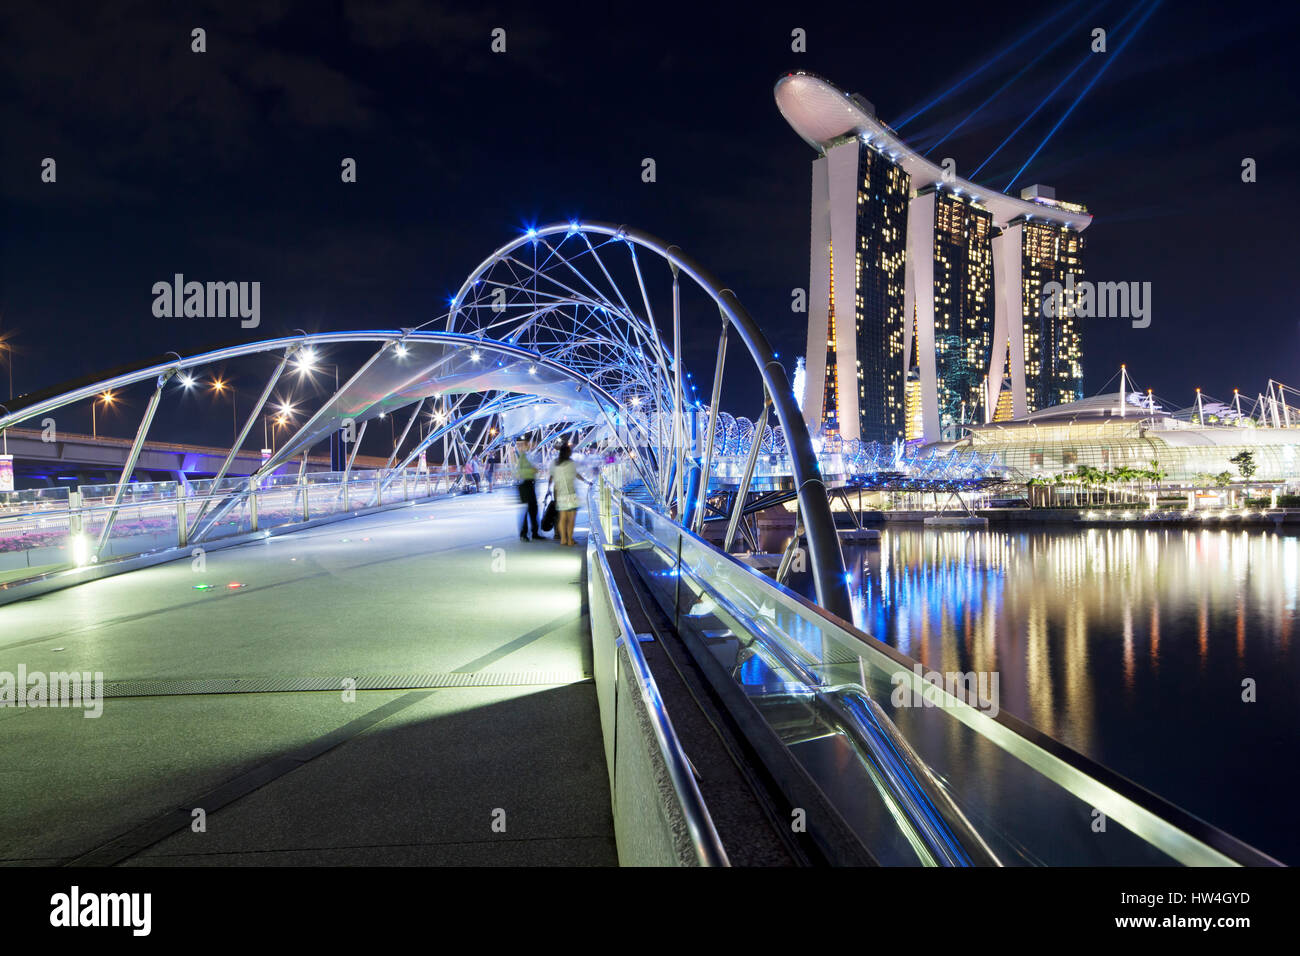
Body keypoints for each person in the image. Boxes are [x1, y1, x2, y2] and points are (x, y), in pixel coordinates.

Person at [547, 442, 586, 546]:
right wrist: (586, 481)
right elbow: (576, 475)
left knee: (562, 517)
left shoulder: (554, 463)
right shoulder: (571, 463)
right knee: (571, 518)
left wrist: (548, 489)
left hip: (560, 494)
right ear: (568, 453)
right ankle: (570, 540)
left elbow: (551, 477)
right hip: (570, 493)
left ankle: (563, 539)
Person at [516, 439, 539, 540]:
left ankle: (534, 532)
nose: (532, 445)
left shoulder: (527, 456)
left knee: (533, 509)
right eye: (530, 444)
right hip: (526, 485)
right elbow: (520, 472)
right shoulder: (523, 457)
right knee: (528, 509)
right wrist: (532, 470)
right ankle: (524, 533)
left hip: (530, 484)